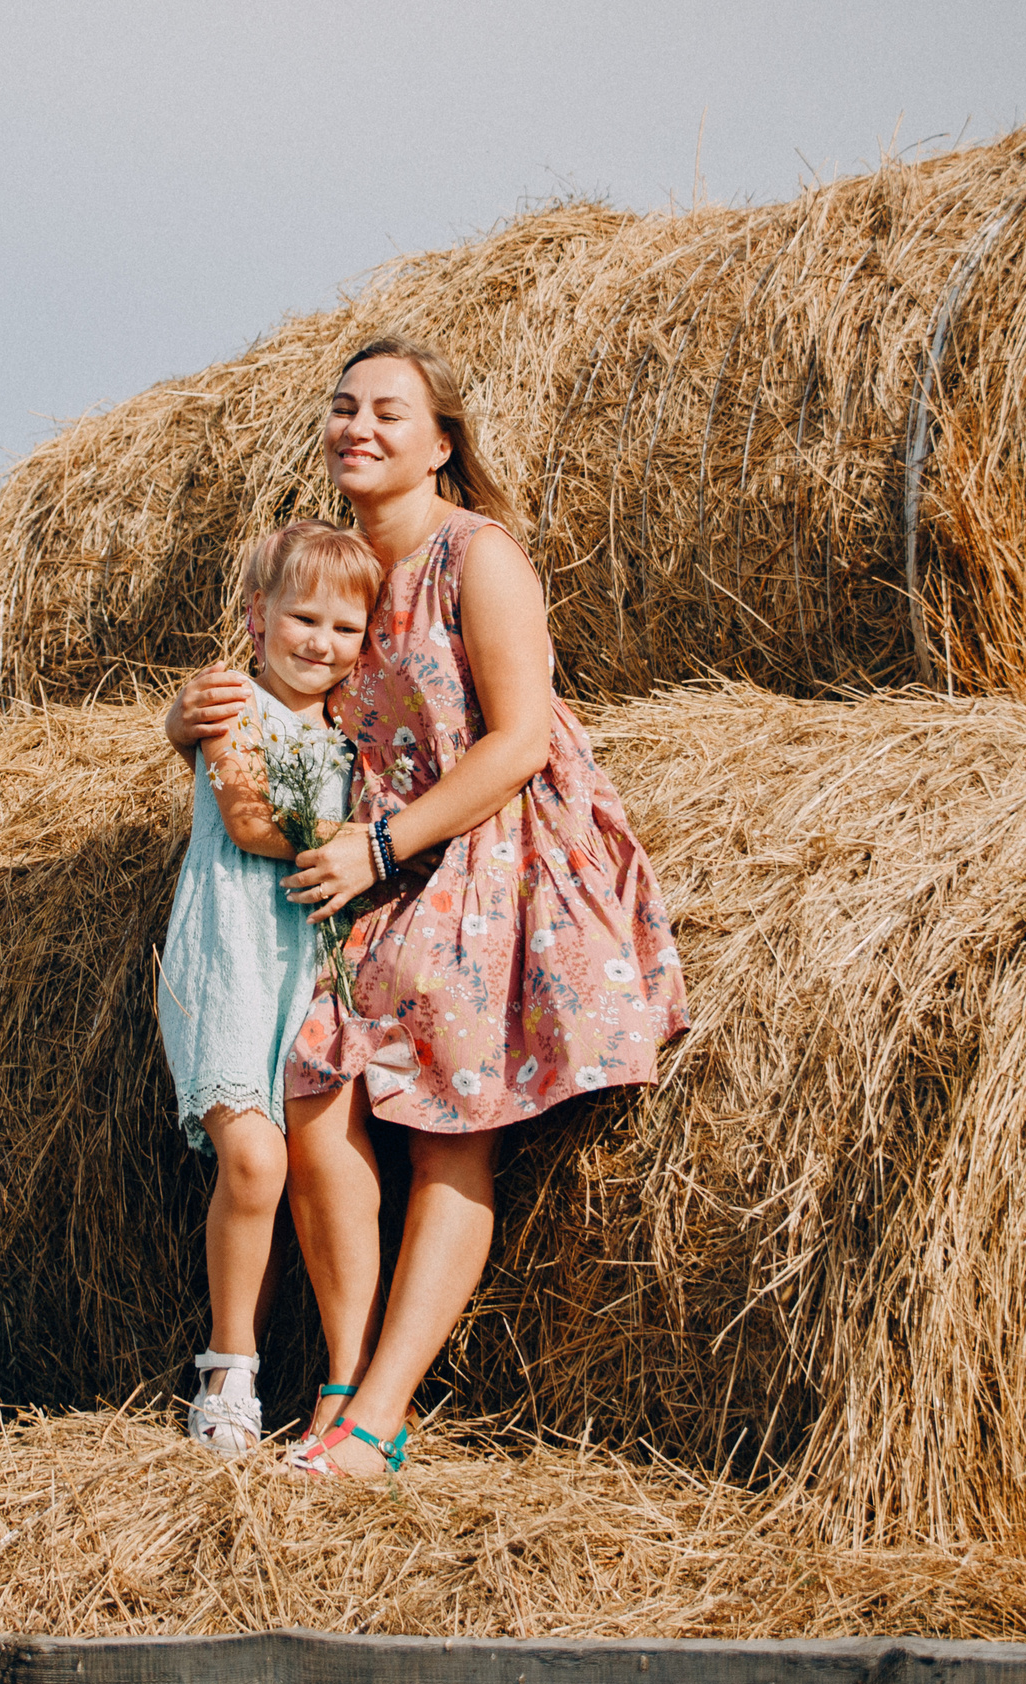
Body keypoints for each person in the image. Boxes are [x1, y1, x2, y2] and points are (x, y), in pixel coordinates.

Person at [165, 336, 686, 1477]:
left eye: (388, 413)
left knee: (454, 1127)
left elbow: (521, 738)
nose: (358, 426)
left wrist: (384, 843)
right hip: (379, 855)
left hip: (492, 843)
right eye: (344, 408)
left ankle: (382, 1417)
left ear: (440, 444)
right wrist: (191, 720)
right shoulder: (341, 576)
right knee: (313, 1086)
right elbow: (269, 710)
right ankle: (341, 1381)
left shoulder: (475, 555)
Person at [157, 520, 378, 1453]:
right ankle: (228, 1369)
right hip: (233, 960)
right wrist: (386, 850)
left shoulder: (355, 731)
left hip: (313, 972)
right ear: (257, 617)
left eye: (345, 628)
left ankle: (344, 1380)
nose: (320, 643)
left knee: (314, 1169)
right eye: (302, 618)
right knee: (254, 1162)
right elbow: (250, 819)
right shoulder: (229, 704)